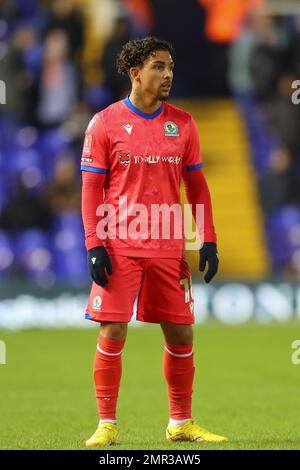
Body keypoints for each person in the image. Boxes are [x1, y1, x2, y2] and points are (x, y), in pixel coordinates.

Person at [81, 36, 227, 447]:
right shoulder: (105, 123)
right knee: (113, 330)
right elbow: (91, 189)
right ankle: (106, 424)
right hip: (119, 243)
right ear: (135, 73)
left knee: (181, 334)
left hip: (168, 245)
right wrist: (94, 244)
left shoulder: (182, 123)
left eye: (170, 67)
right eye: (159, 67)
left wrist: (208, 241)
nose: (168, 74)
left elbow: (197, 187)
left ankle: (180, 422)